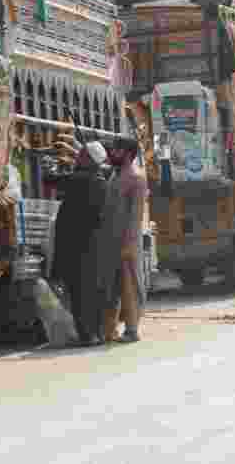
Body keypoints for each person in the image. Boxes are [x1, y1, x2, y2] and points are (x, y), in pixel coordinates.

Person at [49, 142, 113, 347]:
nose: (77, 156)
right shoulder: (101, 180)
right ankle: (97, 332)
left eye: (81, 154)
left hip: (78, 246)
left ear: (87, 159)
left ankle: (88, 335)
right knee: (92, 290)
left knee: (80, 292)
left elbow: (50, 180)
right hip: (94, 245)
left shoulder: (81, 179)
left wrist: (49, 166)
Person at [102, 136, 149, 343]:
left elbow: (136, 216)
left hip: (127, 242)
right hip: (110, 240)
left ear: (128, 153)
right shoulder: (116, 175)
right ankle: (110, 330)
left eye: (116, 150)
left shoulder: (136, 177)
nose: (112, 154)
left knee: (129, 287)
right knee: (112, 288)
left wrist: (129, 244)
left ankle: (132, 330)